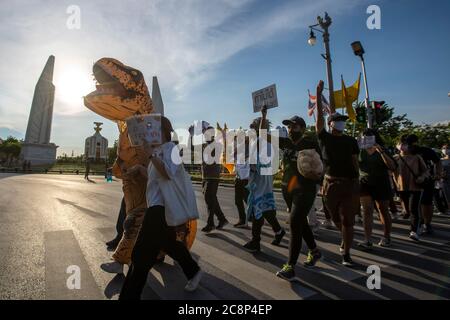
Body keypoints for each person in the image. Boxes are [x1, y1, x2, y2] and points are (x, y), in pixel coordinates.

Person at [119, 116, 202, 300]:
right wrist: (140, 170)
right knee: (169, 244)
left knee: (140, 255)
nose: (148, 133)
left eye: (151, 128)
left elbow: (168, 174)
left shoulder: (170, 148)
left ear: (162, 131)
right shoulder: (158, 150)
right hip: (158, 208)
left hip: (160, 209)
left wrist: (150, 155)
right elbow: (158, 181)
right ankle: (193, 271)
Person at [315, 80, 360, 267]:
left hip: (349, 184)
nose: (341, 123)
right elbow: (318, 118)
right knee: (335, 218)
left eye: (343, 121)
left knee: (348, 220)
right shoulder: (324, 137)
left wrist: (358, 183)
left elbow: (355, 163)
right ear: (330, 123)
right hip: (330, 184)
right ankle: (344, 234)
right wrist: (318, 96)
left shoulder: (350, 141)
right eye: (338, 121)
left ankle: (346, 252)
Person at [275, 115, 322, 281]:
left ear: (302, 128)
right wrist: (264, 116)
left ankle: (290, 266)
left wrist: (318, 178)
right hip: (287, 188)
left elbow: (320, 166)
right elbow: (263, 136)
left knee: (295, 222)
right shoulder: (286, 142)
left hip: (305, 188)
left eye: (293, 126)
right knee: (301, 222)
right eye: (288, 126)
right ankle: (315, 251)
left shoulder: (310, 143)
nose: (290, 129)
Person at [243, 109, 285, 252]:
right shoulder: (258, 140)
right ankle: (278, 231)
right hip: (261, 176)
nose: (252, 129)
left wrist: (264, 116)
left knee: (257, 209)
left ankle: (256, 242)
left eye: (255, 127)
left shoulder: (264, 139)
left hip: (261, 176)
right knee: (265, 207)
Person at [357, 129, 397, 249]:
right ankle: (367, 239)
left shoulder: (382, 149)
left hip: (381, 182)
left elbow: (392, 166)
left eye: (369, 136)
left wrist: (381, 152)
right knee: (367, 210)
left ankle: (386, 236)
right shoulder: (359, 150)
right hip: (364, 183)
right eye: (364, 136)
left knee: (383, 209)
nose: (367, 139)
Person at [392, 135, 428, 241]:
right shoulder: (395, 158)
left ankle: (414, 231)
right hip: (401, 187)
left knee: (413, 209)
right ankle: (420, 222)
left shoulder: (416, 157)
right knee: (407, 210)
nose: (402, 146)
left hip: (415, 187)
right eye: (400, 144)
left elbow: (425, 171)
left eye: (405, 144)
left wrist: (422, 177)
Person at [406, 134, 443, 234]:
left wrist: (438, 174)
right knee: (415, 205)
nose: (411, 146)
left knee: (426, 202)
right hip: (410, 181)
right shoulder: (405, 152)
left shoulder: (426, 150)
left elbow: (437, 161)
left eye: (412, 143)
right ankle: (419, 224)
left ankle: (427, 224)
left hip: (426, 180)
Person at [201, 125, 229, 232]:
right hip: (205, 175)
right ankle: (222, 219)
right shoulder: (205, 145)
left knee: (209, 198)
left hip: (213, 176)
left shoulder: (216, 145)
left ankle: (210, 223)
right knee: (211, 199)